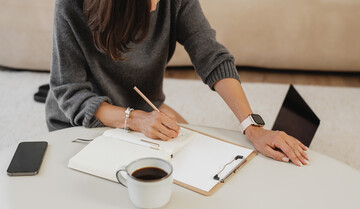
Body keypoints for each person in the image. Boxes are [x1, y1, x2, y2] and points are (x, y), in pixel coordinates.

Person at [45, 0, 309, 166]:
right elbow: (69, 91)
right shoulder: (70, 6)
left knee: (200, 154)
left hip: (146, 111)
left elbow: (212, 56)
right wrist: (135, 120)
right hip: (82, 121)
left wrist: (252, 127)